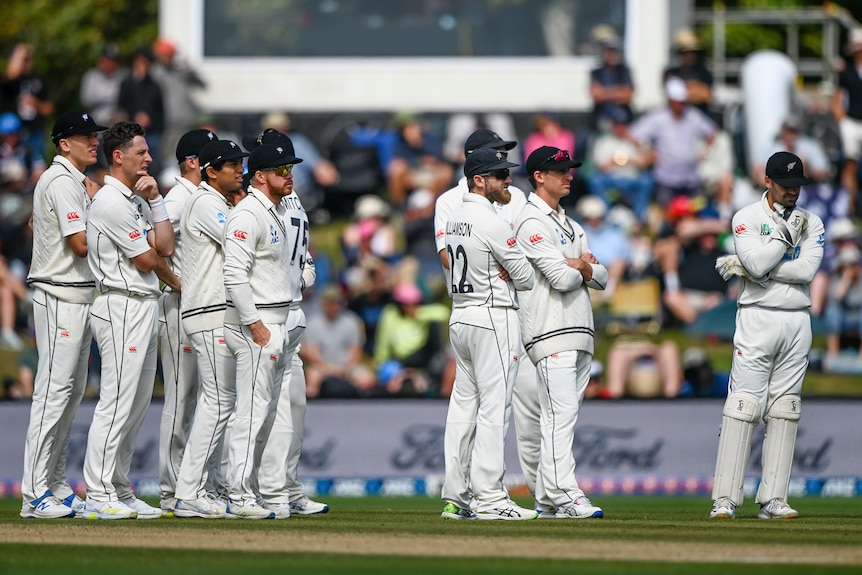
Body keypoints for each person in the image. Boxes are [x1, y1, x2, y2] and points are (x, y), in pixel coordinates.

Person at [434, 129, 542, 516]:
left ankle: (458, 492)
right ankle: (490, 497)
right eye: (499, 173)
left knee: (465, 405)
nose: (507, 180)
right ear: (478, 179)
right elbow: (526, 276)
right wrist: (509, 269)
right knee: (495, 409)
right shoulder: (491, 219)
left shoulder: (457, 214)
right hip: (493, 315)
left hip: (462, 314)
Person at [711, 151, 825, 520]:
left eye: (797, 186)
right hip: (757, 318)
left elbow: (805, 271)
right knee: (743, 406)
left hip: (796, 319)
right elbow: (758, 263)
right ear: (768, 181)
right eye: (786, 185)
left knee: (786, 408)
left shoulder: (814, 222)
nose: (793, 192)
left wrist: (757, 268)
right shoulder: (746, 217)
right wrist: (783, 240)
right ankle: (725, 500)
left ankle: (773, 499)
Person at [82, 121, 175, 520]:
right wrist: (179, 282)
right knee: (117, 402)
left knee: (136, 404)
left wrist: (155, 201)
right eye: (142, 152)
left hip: (141, 304)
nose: (149, 158)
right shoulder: (111, 202)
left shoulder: (134, 199)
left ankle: (119, 488)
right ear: (118, 156)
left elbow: (165, 245)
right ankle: (98, 493)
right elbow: (147, 259)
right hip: (120, 304)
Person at [19, 111, 107, 519]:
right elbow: (80, 245)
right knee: (53, 394)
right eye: (84, 136)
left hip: (77, 294)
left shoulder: (72, 181)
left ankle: (55, 484)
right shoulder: (61, 181)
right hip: (60, 295)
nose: (94, 141)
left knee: (69, 395)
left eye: (94, 135)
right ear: (63, 143)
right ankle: (34, 494)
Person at [513, 146, 607, 519]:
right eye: (561, 170)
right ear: (539, 176)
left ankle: (548, 500)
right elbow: (562, 277)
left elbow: (602, 277)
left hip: (580, 330)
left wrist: (582, 267)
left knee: (562, 416)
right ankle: (564, 492)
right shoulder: (530, 222)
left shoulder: (571, 224)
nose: (569, 175)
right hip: (550, 331)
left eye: (570, 169)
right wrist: (582, 267)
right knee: (557, 416)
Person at [222, 143, 302, 519]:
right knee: (251, 413)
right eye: (281, 170)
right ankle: (237, 495)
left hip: (277, 320)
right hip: (259, 324)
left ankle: (249, 490)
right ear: (260, 175)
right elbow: (233, 274)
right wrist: (255, 324)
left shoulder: (274, 211)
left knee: (265, 414)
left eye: (289, 169)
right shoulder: (248, 215)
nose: (289, 176)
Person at [172, 138, 247, 519]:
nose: (240, 169)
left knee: (219, 402)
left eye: (240, 163)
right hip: (208, 310)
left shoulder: (218, 202)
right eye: (231, 164)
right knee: (217, 402)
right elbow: (240, 244)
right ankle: (189, 492)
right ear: (210, 171)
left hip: (216, 311)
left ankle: (202, 488)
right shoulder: (204, 203)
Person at [157, 128, 217, 515]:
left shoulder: (198, 197)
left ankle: (189, 485)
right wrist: (181, 285)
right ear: (193, 162)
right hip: (178, 307)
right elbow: (153, 249)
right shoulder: (177, 198)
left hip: (195, 306)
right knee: (180, 398)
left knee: (197, 399)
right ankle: (170, 489)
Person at [630, 77, 716, 206]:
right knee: (668, 213)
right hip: (666, 179)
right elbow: (635, 134)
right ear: (670, 101)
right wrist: (647, 152)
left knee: (696, 209)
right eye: (679, 102)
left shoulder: (692, 116)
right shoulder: (657, 118)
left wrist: (705, 152)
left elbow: (711, 131)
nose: (682, 105)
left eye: (684, 101)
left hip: (690, 177)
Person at [302, 284, 377, 398]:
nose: (335, 306)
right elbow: (312, 354)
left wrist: (345, 368)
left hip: (347, 367)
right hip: (322, 367)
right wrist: (329, 369)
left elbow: (356, 351)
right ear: (324, 304)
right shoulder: (313, 323)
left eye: (338, 302)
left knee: (367, 378)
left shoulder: (352, 321)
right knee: (312, 378)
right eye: (331, 303)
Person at [150, 38, 207, 172]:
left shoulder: (182, 71)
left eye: (171, 55)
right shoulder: (155, 74)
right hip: (168, 125)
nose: (170, 58)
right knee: (167, 161)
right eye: (167, 55)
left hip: (186, 123)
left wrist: (190, 70)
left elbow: (202, 84)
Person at [587, 106, 653, 221]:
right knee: (595, 179)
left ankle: (639, 218)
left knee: (646, 180)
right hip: (612, 179)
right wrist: (615, 161)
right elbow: (600, 166)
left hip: (632, 179)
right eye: (617, 124)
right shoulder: (604, 141)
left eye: (623, 124)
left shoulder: (637, 140)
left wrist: (630, 157)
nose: (620, 127)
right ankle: (605, 215)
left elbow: (645, 163)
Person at [2, 43, 54, 164]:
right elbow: (11, 72)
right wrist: (20, 52)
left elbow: (49, 108)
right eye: (24, 60)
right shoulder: (11, 82)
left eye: (28, 59)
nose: (27, 63)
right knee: (15, 171)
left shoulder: (38, 80)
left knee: (37, 170)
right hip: (14, 136)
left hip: (36, 133)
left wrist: (37, 104)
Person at [118, 46, 165, 179]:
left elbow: (160, 110)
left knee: (153, 166)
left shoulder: (154, 85)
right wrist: (135, 117)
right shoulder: (127, 83)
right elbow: (122, 105)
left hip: (152, 132)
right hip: (132, 132)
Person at [386, 113, 453, 206]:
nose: (410, 131)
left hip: (432, 173)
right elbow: (401, 161)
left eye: (413, 127)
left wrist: (419, 144)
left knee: (446, 172)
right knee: (396, 168)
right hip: (412, 174)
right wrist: (418, 160)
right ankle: (398, 206)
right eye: (407, 128)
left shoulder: (431, 139)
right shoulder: (400, 143)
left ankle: (436, 207)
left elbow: (437, 158)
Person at [831, 28, 862, 215]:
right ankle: (847, 208)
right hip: (852, 121)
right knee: (850, 166)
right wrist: (843, 122)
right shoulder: (847, 72)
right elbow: (837, 100)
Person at [588, 28, 634, 130]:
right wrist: (618, 91)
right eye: (608, 50)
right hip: (602, 122)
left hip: (623, 123)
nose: (611, 54)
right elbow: (596, 96)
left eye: (613, 51)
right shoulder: (596, 72)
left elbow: (628, 96)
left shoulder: (624, 71)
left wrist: (605, 92)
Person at [663, 29, 714, 115]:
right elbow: (673, 97)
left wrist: (683, 89)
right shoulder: (671, 72)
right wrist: (693, 89)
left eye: (693, 52)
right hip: (678, 119)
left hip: (700, 116)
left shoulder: (704, 73)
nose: (691, 55)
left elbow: (706, 95)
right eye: (686, 52)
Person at [79, 44, 127, 128]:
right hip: (96, 118)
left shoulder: (123, 76)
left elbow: (126, 99)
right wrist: (109, 98)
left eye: (114, 60)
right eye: (108, 60)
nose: (110, 63)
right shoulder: (91, 77)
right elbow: (86, 100)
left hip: (116, 119)